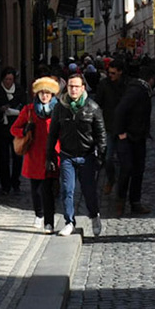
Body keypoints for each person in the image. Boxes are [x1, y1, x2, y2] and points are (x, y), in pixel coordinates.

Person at [49, 69, 109, 236]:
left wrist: (101, 156)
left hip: (86, 155)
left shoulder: (93, 107)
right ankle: (69, 222)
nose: (73, 90)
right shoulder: (60, 108)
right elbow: (53, 133)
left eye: (76, 86)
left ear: (83, 88)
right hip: (67, 155)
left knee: (89, 191)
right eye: (70, 86)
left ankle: (94, 216)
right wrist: (50, 155)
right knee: (67, 190)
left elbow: (101, 134)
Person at [10, 77, 61, 232]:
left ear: (52, 95)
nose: (44, 96)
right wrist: (24, 131)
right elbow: (14, 129)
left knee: (50, 189)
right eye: (41, 93)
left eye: (47, 93)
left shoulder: (59, 110)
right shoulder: (29, 110)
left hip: (52, 154)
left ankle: (49, 219)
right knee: (36, 189)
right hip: (34, 154)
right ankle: (39, 214)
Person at [109, 61, 152, 215]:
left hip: (138, 136)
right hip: (128, 137)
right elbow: (120, 110)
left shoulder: (141, 89)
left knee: (138, 170)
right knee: (126, 169)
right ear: (151, 79)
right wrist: (121, 132)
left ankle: (135, 202)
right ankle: (120, 201)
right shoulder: (136, 90)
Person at [0, 67, 25, 195]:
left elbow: (24, 107)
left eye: (11, 79)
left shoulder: (19, 91)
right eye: (6, 79)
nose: (8, 82)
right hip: (1, 129)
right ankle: (5, 184)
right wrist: (0, 110)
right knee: (3, 158)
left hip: (16, 128)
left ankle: (15, 182)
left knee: (17, 157)